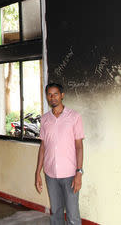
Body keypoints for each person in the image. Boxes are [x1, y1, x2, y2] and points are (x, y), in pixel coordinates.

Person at [35, 83, 84, 225]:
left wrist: (79, 172)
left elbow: (79, 146)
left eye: (55, 94)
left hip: (70, 174)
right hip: (50, 174)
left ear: (62, 95)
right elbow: (43, 146)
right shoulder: (44, 119)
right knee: (56, 213)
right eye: (49, 94)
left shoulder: (74, 117)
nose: (52, 97)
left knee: (72, 215)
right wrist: (38, 172)